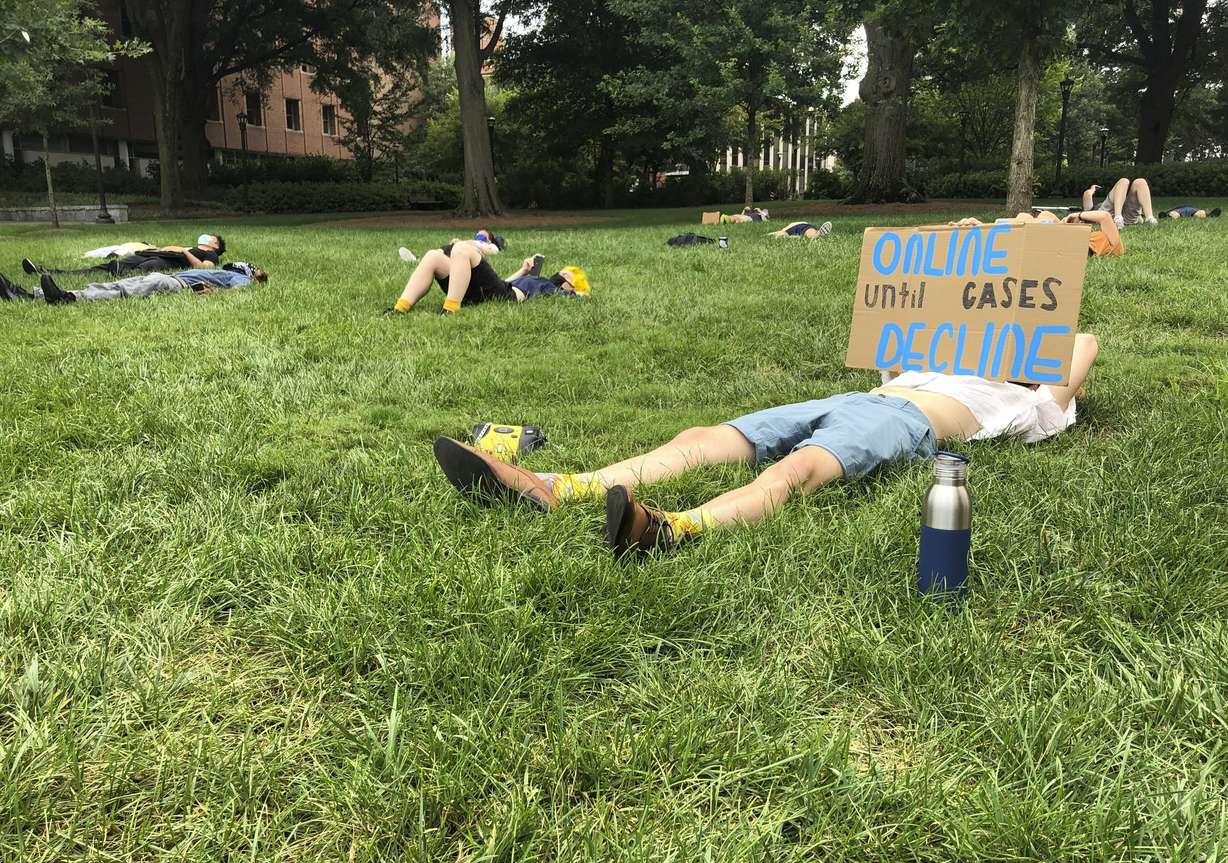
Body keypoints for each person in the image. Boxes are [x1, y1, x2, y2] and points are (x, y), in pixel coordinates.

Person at [432, 333, 1100, 556]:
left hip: (909, 423)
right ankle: (560, 486)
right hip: (867, 400)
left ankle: (670, 530)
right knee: (701, 437)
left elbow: (1082, 345)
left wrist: (1031, 325)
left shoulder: (1031, 401)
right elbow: (894, 351)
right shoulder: (946, 355)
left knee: (801, 467)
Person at [388, 241, 589, 314]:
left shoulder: (549, 288)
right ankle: (400, 308)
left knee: (461, 249)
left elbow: (581, 296)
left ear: (570, 286)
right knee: (433, 256)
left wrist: (578, 292)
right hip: (498, 290)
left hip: (503, 296)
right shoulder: (538, 281)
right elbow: (505, 283)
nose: (561, 273)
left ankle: (450, 309)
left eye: (565, 275)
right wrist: (523, 271)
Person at [0, 261, 267, 304]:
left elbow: (236, 291)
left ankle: (68, 298)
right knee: (118, 287)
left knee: (122, 290)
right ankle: (27, 294)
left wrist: (210, 294)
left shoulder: (240, 277)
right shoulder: (227, 272)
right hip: (167, 279)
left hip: (174, 285)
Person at [21, 234, 227, 277]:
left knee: (129, 273)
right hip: (154, 254)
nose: (207, 236)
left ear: (214, 245)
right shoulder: (191, 246)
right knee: (111, 266)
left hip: (163, 263)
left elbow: (205, 269)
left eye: (212, 237)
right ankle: (45, 271)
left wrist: (184, 251)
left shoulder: (211, 254)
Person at [950, 210, 1123, 257]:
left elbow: (1105, 216)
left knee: (1042, 216)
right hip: (1058, 239)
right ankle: (979, 226)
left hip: (1066, 245)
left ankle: (980, 226)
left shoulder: (1113, 244)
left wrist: (1075, 215)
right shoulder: (1093, 236)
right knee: (1024, 216)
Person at [1081, 178, 1157, 227]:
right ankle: (1118, 218)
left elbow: (1087, 194)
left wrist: (1092, 189)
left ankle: (1149, 218)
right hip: (1107, 215)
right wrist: (1091, 189)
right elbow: (1087, 195)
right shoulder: (1091, 212)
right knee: (1123, 181)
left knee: (1140, 182)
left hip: (1125, 218)